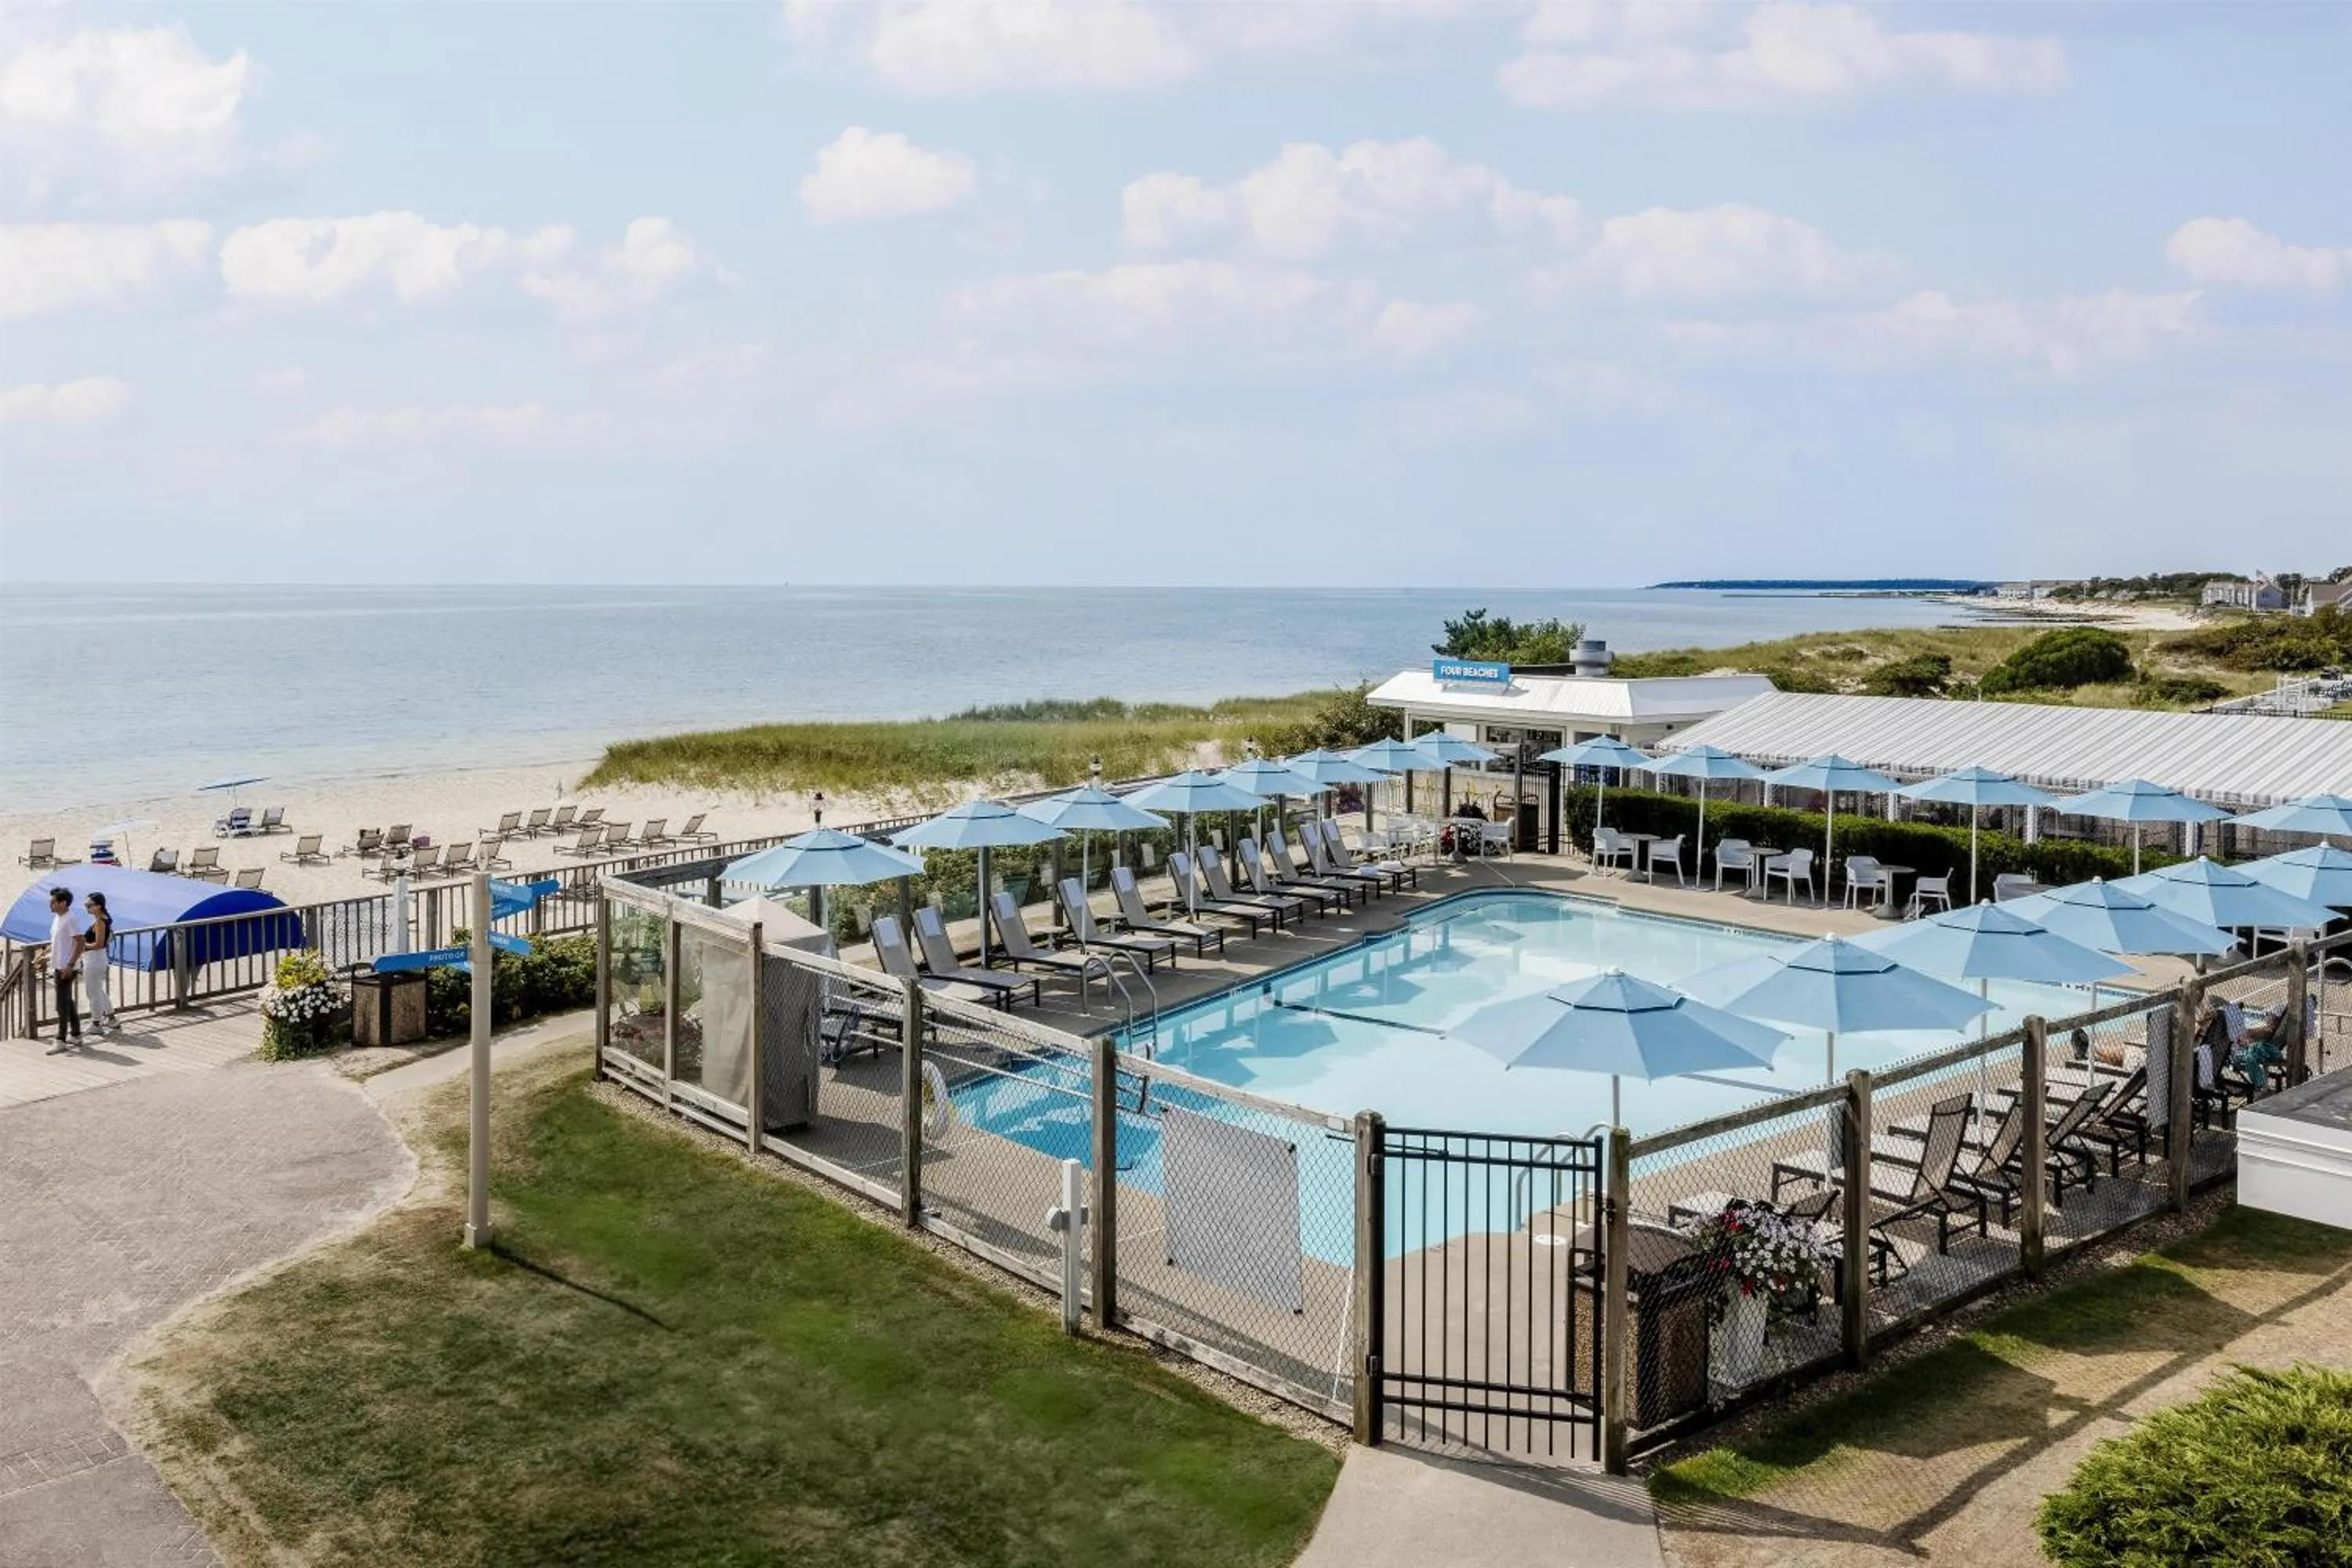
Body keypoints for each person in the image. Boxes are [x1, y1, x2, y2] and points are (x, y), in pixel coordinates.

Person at [45, 886, 82, 1052]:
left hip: (66, 968)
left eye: (53, 902)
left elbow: (80, 943)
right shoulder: (58, 918)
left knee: (61, 1005)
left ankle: (60, 1039)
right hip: (58, 965)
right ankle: (76, 1034)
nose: (50, 904)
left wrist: (70, 965)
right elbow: (56, 942)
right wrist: (43, 955)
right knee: (67, 1000)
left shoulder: (70, 919)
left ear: (63, 903)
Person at [82, 890, 117, 1033]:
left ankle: (96, 1024)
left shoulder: (100, 922)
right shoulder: (102, 919)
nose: (87, 908)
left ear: (98, 906)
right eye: (86, 905)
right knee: (98, 991)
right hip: (97, 959)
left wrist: (83, 945)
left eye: (89, 905)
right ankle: (111, 1018)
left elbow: (99, 944)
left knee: (92, 993)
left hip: (94, 959)